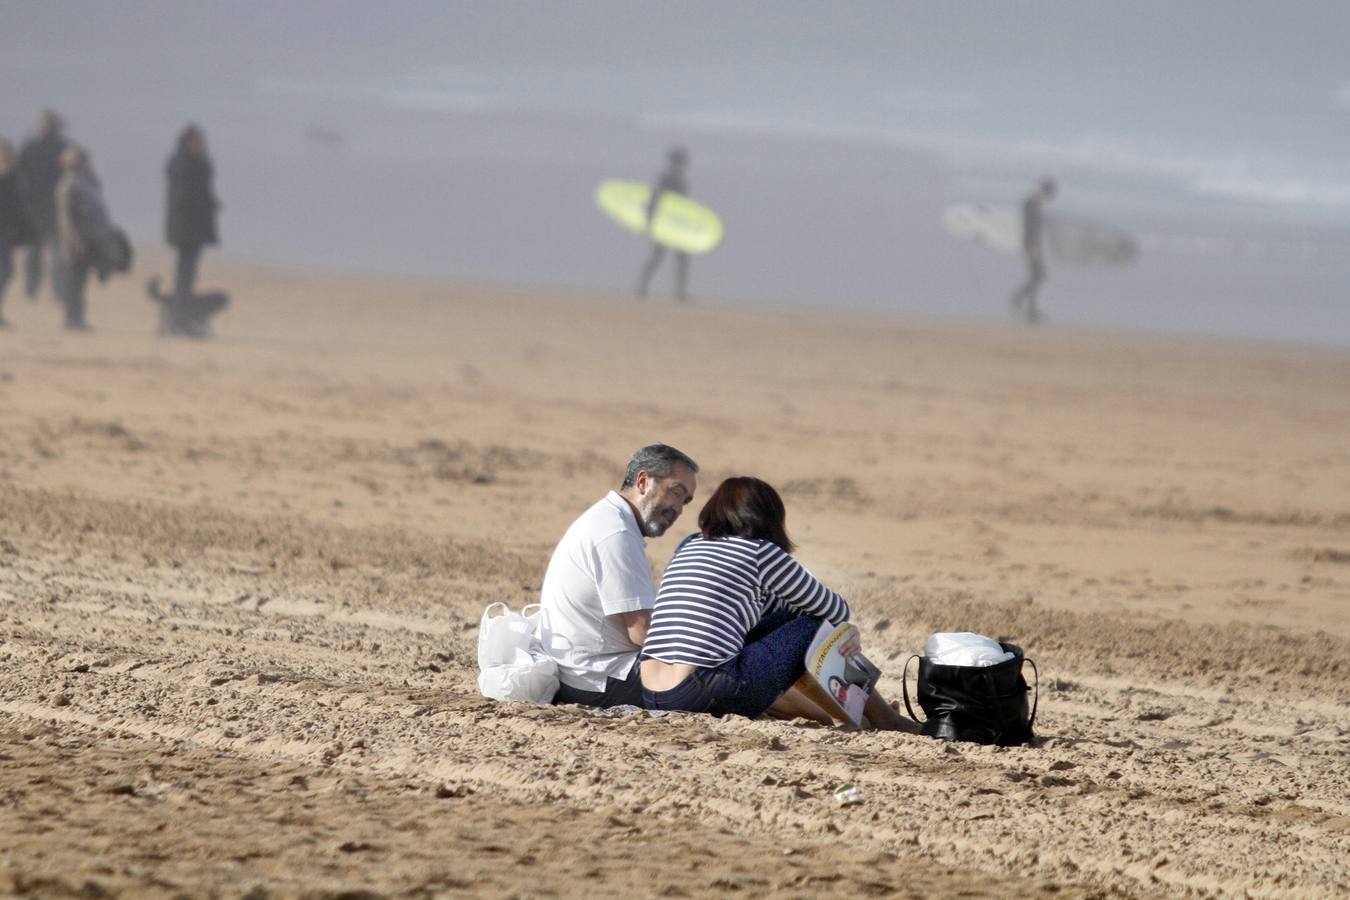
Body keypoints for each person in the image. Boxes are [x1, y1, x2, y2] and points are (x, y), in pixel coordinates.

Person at [639, 476, 915, 730]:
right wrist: (845, 628)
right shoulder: (759, 550)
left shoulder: (689, 545)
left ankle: (850, 714)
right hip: (703, 689)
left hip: (653, 693)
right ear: (769, 518)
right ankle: (885, 718)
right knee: (814, 625)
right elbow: (833, 610)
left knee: (786, 624)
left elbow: (766, 614)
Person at [538, 444, 699, 708]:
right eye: (676, 492)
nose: (679, 509)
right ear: (643, 481)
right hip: (597, 678)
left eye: (685, 501)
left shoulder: (610, 519)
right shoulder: (616, 533)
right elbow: (643, 633)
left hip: (581, 669)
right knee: (719, 677)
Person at [163, 124, 219, 332]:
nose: (200, 145)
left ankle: (181, 318)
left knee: (187, 275)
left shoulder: (195, 164)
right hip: (186, 230)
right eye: (196, 142)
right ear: (187, 143)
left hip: (192, 230)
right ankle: (179, 319)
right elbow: (184, 199)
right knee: (184, 276)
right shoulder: (184, 165)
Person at [54, 145, 115, 331]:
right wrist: (75, 241)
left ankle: (77, 318)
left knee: (80, 282)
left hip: (88, 239)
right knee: (73, 282)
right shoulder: (68, 185)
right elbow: (66, 218)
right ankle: (72, 319)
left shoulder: (86, 182)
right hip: (75, 242)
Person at [16, 110, 68, 302]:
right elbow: (19, 177)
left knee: (47, 255)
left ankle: (42, 291)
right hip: (42, 210)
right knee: (41, 254)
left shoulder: (58, 148)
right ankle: (43, 291)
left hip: (46, 209)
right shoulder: (59, 147)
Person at [635, 146, 691, 302]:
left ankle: (680, 292)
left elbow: (686, 207)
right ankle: (642, 287)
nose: (679, 165)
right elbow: (655, 199)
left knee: (681, 259)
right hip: (664, 225)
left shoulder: (682, 181)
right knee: (657, 257)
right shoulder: (666, 179)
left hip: (677, 226)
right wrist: (649, 224)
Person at [0, 139, 37, 329]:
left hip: (7, 231)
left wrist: (25, 228)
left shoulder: (15, 176)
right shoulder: (10, 177)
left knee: (6, 272)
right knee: (4, 271)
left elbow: (21, 205)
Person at [1010, 177, 1056, 324]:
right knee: (1038, 276)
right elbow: (1029, 228)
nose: (1049, 198)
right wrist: (1031, 248)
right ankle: (1020, 302)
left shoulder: (1035, 203)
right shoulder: (1031, 204)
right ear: (1045, 191)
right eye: (1050, 194)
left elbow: (1035, 227)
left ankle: (1027, 307)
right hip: (1031, 246)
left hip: (1034, 246)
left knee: (1037, 276)